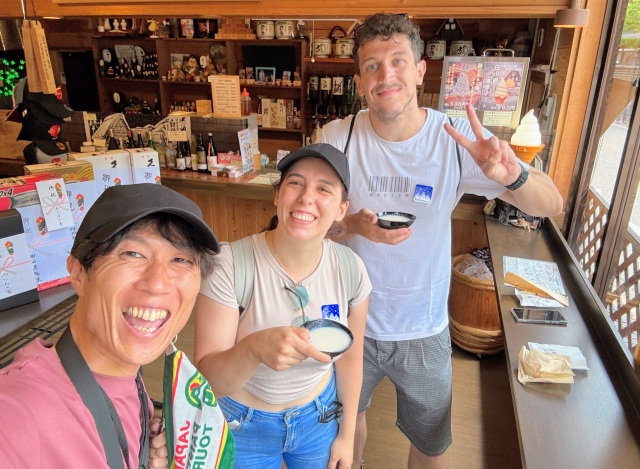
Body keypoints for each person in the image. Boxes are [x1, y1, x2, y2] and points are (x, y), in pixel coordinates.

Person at [320, 13, 563, 469]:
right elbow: (314, 230)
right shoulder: (338, 138)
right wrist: (351, 225)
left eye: (398, 61)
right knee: (345, 431)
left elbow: (551, 203)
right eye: (372, 66)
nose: (386, 75)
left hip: (425, 327)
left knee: (432, 446)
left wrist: (513, 173)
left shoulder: (455, 138)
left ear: (419, 70)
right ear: (359, 82)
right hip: (351, 323)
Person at [0, 183, 220, 468]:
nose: (158, 283)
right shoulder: (16, 416)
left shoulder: (127, 377)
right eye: (132, 254)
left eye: (180, 260)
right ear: (79, 273)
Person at [194, 143, 372, 469]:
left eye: (323, 189)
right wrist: (252, 349)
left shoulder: (351, 270)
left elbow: (351, 358)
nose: (306, 197)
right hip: (242, 426)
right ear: (277, 195)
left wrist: (347, 436)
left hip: (318, 419)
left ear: (341, 209)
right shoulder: (229, 266)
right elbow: (208, 381)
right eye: (295, 182)